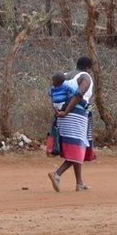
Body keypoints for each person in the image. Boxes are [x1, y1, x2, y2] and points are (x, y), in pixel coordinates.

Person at [46, 57, 96, 193]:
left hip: (62, 114)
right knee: (78, 147)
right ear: (89, 67)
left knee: (75, 147)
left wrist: (58, 111)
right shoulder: (86, 77)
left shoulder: (66, 75)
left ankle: (79, 183)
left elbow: (53, 93)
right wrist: (67, 111)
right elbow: (80, 94)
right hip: (75, 114)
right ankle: (57, 174)